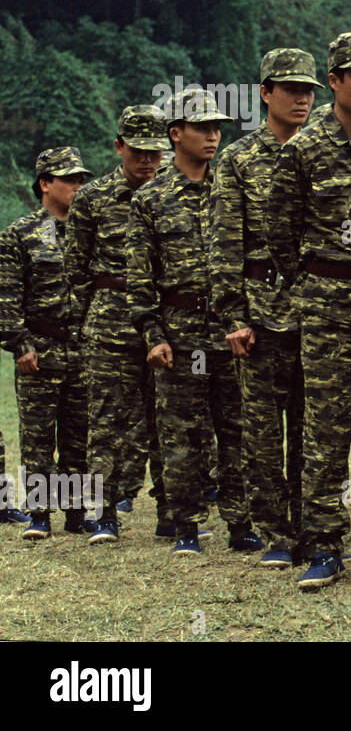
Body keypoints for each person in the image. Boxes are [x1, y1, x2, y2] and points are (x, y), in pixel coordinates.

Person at [267, 32, 351, 589]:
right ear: (335, 82)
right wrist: (318, 281)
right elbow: (279, 234)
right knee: (326, 425)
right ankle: (323, 543)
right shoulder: (304, 149)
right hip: (326, 305)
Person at [126, 89, 257, 556]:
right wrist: (153, 334)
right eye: (203, 127)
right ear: (175, 133)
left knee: (237, 427)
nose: (213, 135)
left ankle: (242, 524)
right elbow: (138, 275)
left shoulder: (232, 187)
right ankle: (185, 524)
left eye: (218, 127)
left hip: (230, 329)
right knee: (182, 431)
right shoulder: (151, 199)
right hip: (180, 332)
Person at [209, 49, 320, 567]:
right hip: (260, 306)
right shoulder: (238, 159)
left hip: (319, 308)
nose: (302, 97)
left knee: (314, 426)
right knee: (260, 426)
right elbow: (225, 241)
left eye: (309, 89)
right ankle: (275, 530)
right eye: (291, 88)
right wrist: (232, 315)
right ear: (264, 94)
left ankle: (313, 524)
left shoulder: (327, 149)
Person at [67, 106, 171, 543]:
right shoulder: (92, 199)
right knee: (107, 419)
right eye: (138, 151)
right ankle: (105, 512)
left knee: (169, 417)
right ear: (118, 147)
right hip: (110, 324)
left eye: (154, 153)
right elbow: (76, 268)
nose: (146, 161)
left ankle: (174, 509)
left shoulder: (174, 193)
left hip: (166, 320)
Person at [0, 147, 94, 539]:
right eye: (68, 179)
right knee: (38, 437)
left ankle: (76, 512)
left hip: (84, 348)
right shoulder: (19, 234)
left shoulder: (89, 230)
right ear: (45, 184)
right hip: (40, 348)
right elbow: (6, 296)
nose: (76, 185)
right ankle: (39, 514)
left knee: (79, 437)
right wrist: (20, 345)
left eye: (79, 179)